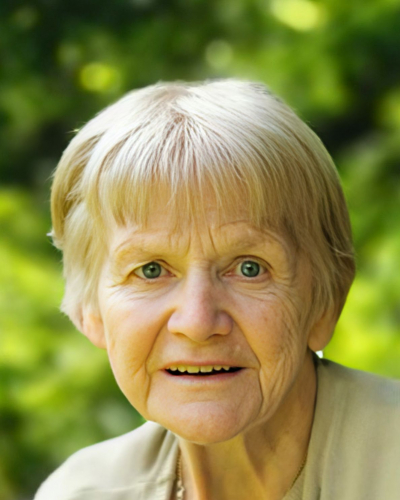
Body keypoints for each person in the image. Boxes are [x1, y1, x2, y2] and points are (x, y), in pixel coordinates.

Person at [34, 79, 400, 500]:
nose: (198, 322)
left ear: (326, 301)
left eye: (249, 268)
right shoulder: (81, 492)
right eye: (150, 270)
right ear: (91, 310)